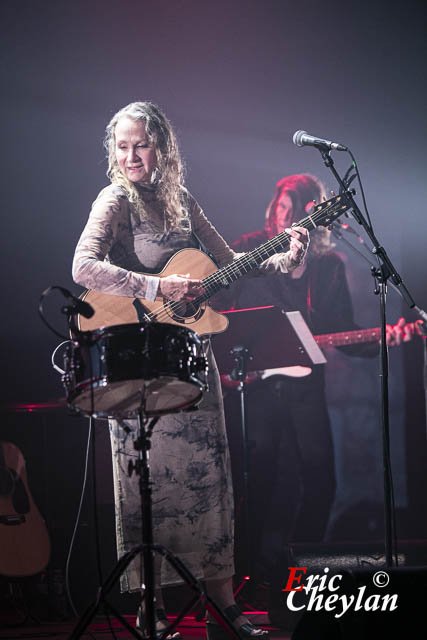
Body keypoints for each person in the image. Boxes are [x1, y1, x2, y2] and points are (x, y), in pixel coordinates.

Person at [72, 102, 309, 638]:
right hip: (138, 358)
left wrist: (288, 256)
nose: (131, 156)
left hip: (191, 356)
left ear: (162, 147)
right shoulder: (115, 200)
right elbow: (82, 267)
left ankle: (221, 602)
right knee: (148, 482)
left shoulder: (182, 201)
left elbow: (229, 265)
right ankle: (149, 606)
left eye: (142, 144)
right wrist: (157, 287)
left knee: (210, 480)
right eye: (122, 146)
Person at [217, 173, 417, 615]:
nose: (282, 216)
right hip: (255, 383)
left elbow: (337, 330)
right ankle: (246, 576)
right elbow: (227, 306)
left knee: (322, 479)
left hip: (306, 384)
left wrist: (384, 337)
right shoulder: (251, 245)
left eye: (292, 209)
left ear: (313, 213)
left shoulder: (329, 265)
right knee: (259, 481)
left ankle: (296, 575)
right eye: (279, 208)